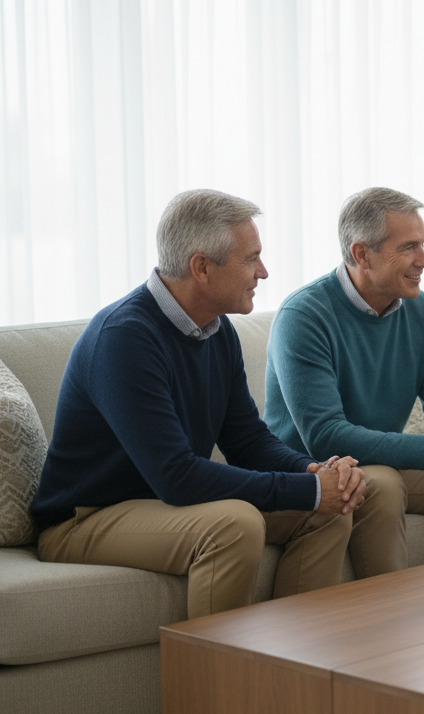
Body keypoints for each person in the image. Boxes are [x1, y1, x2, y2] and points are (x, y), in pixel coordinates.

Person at [30, 190, 370, 619]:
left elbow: (246, 439)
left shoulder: (216, 330)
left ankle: (293, 670)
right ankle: (221, 686)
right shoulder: (125, 338)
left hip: (160, 503)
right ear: (201, 267)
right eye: (251, 258)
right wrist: (307, 490)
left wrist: (312, 473)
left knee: (328, 512)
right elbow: (176, 476)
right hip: (86, 517)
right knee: (235, 525)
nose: (263, 272)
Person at [265, 187, 424, 572]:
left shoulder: (423, 311)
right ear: (362, 253)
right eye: (409, 247)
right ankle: (389, 624)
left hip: (382, 461)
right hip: (317, 468)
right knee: (382, 482)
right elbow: (324, 434)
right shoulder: (304, 315)